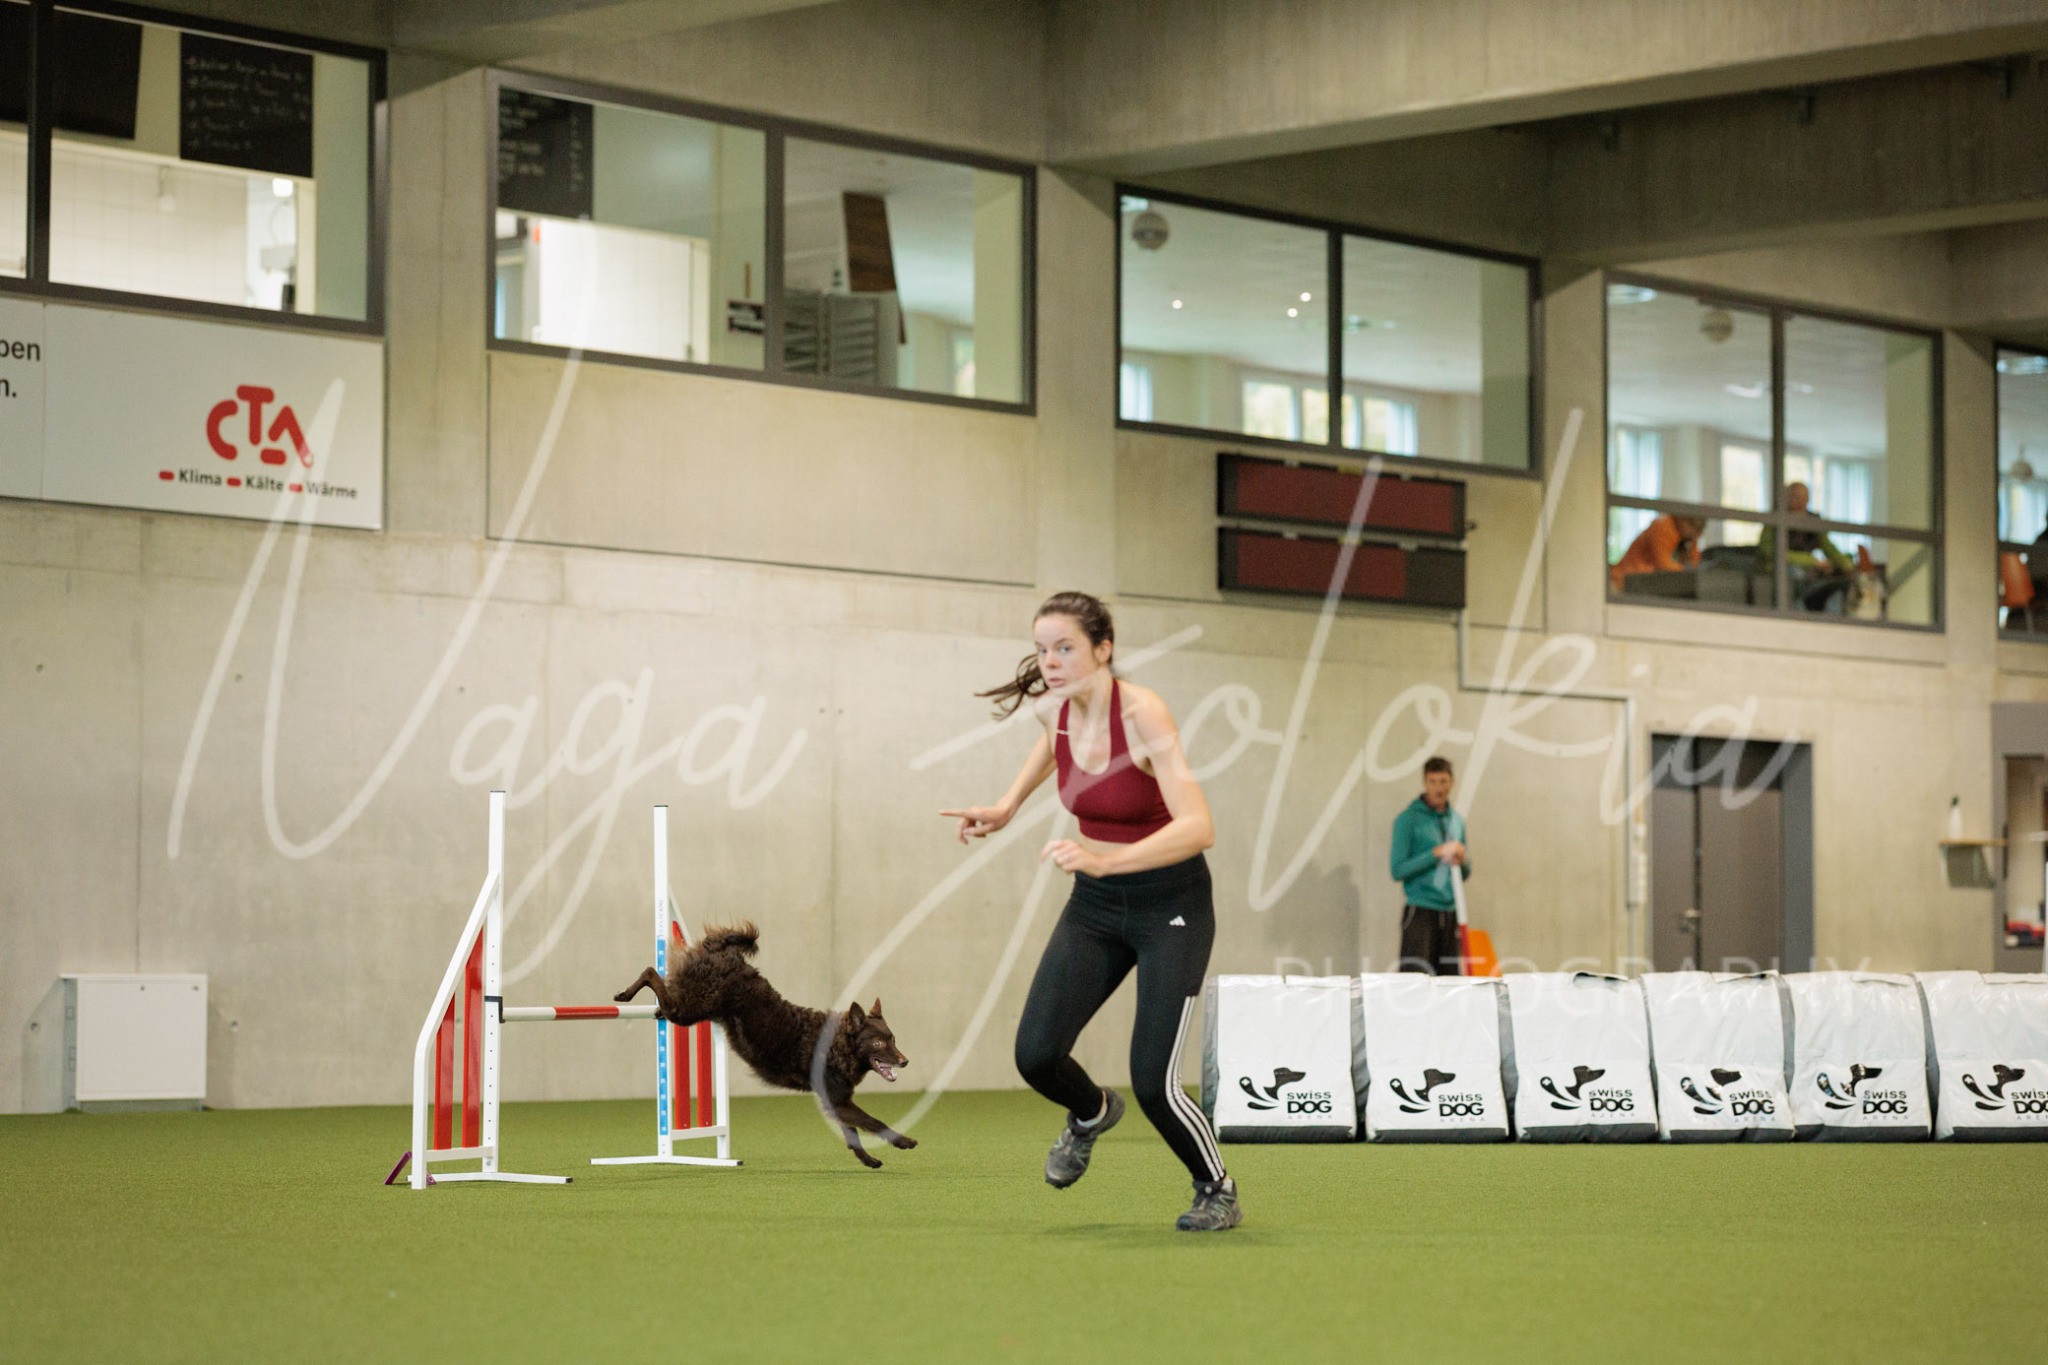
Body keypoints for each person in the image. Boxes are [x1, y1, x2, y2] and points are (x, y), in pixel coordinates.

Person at [941, 591, 1238, 1233]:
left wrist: (1107, 861)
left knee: (1154, 1082)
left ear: (1104, 649)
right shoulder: (1056, 708)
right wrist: (1006, 806)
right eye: (1042, 649)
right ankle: (1092, 1112)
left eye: (1065, 648)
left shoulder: (1143, 714)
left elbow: (1200, 826)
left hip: (1172, 906)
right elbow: (1052, 745)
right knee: (1036, 1055)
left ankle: (1216, 1188)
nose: (1050, 662)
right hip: (1097, 905)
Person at [1389, 756, 1471, 976]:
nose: (1438, 788)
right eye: (1432, 782)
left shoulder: (1456, 820)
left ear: (1452, 782)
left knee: (1450, 983)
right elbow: (1397, 870)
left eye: (1443, 781)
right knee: (1415, 979)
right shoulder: (1407, 820)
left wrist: (1463, 860)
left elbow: (1465, 873)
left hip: (1450, 912)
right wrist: (1435, 853)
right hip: (1420, 911)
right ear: (1425, 783)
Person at [1610, 513, 1705, 592]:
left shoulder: (1687, 538)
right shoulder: (1663, 525)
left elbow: (1694, 566)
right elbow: (1663, 565)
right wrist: (1686, 570)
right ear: (1681, 519)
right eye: (1692, 526)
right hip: (1622, 583)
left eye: (1699, 529)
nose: (1696, 533)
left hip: (1641, 588)